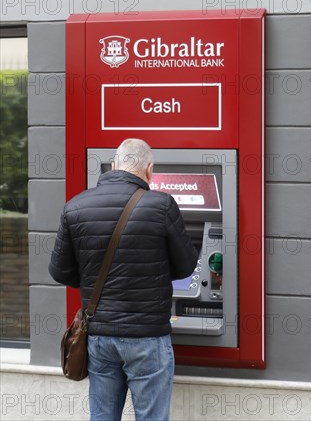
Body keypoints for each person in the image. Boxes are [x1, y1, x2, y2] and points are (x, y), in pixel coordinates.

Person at [49, 138, 198, 420]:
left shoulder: (75, 207)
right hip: (148, 337)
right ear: (149, 170)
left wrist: (93, 276)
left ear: (114, 166)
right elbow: (187, 266)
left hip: (100, 337)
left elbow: (60, 271)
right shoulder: (162, 205)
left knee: (103, 416)